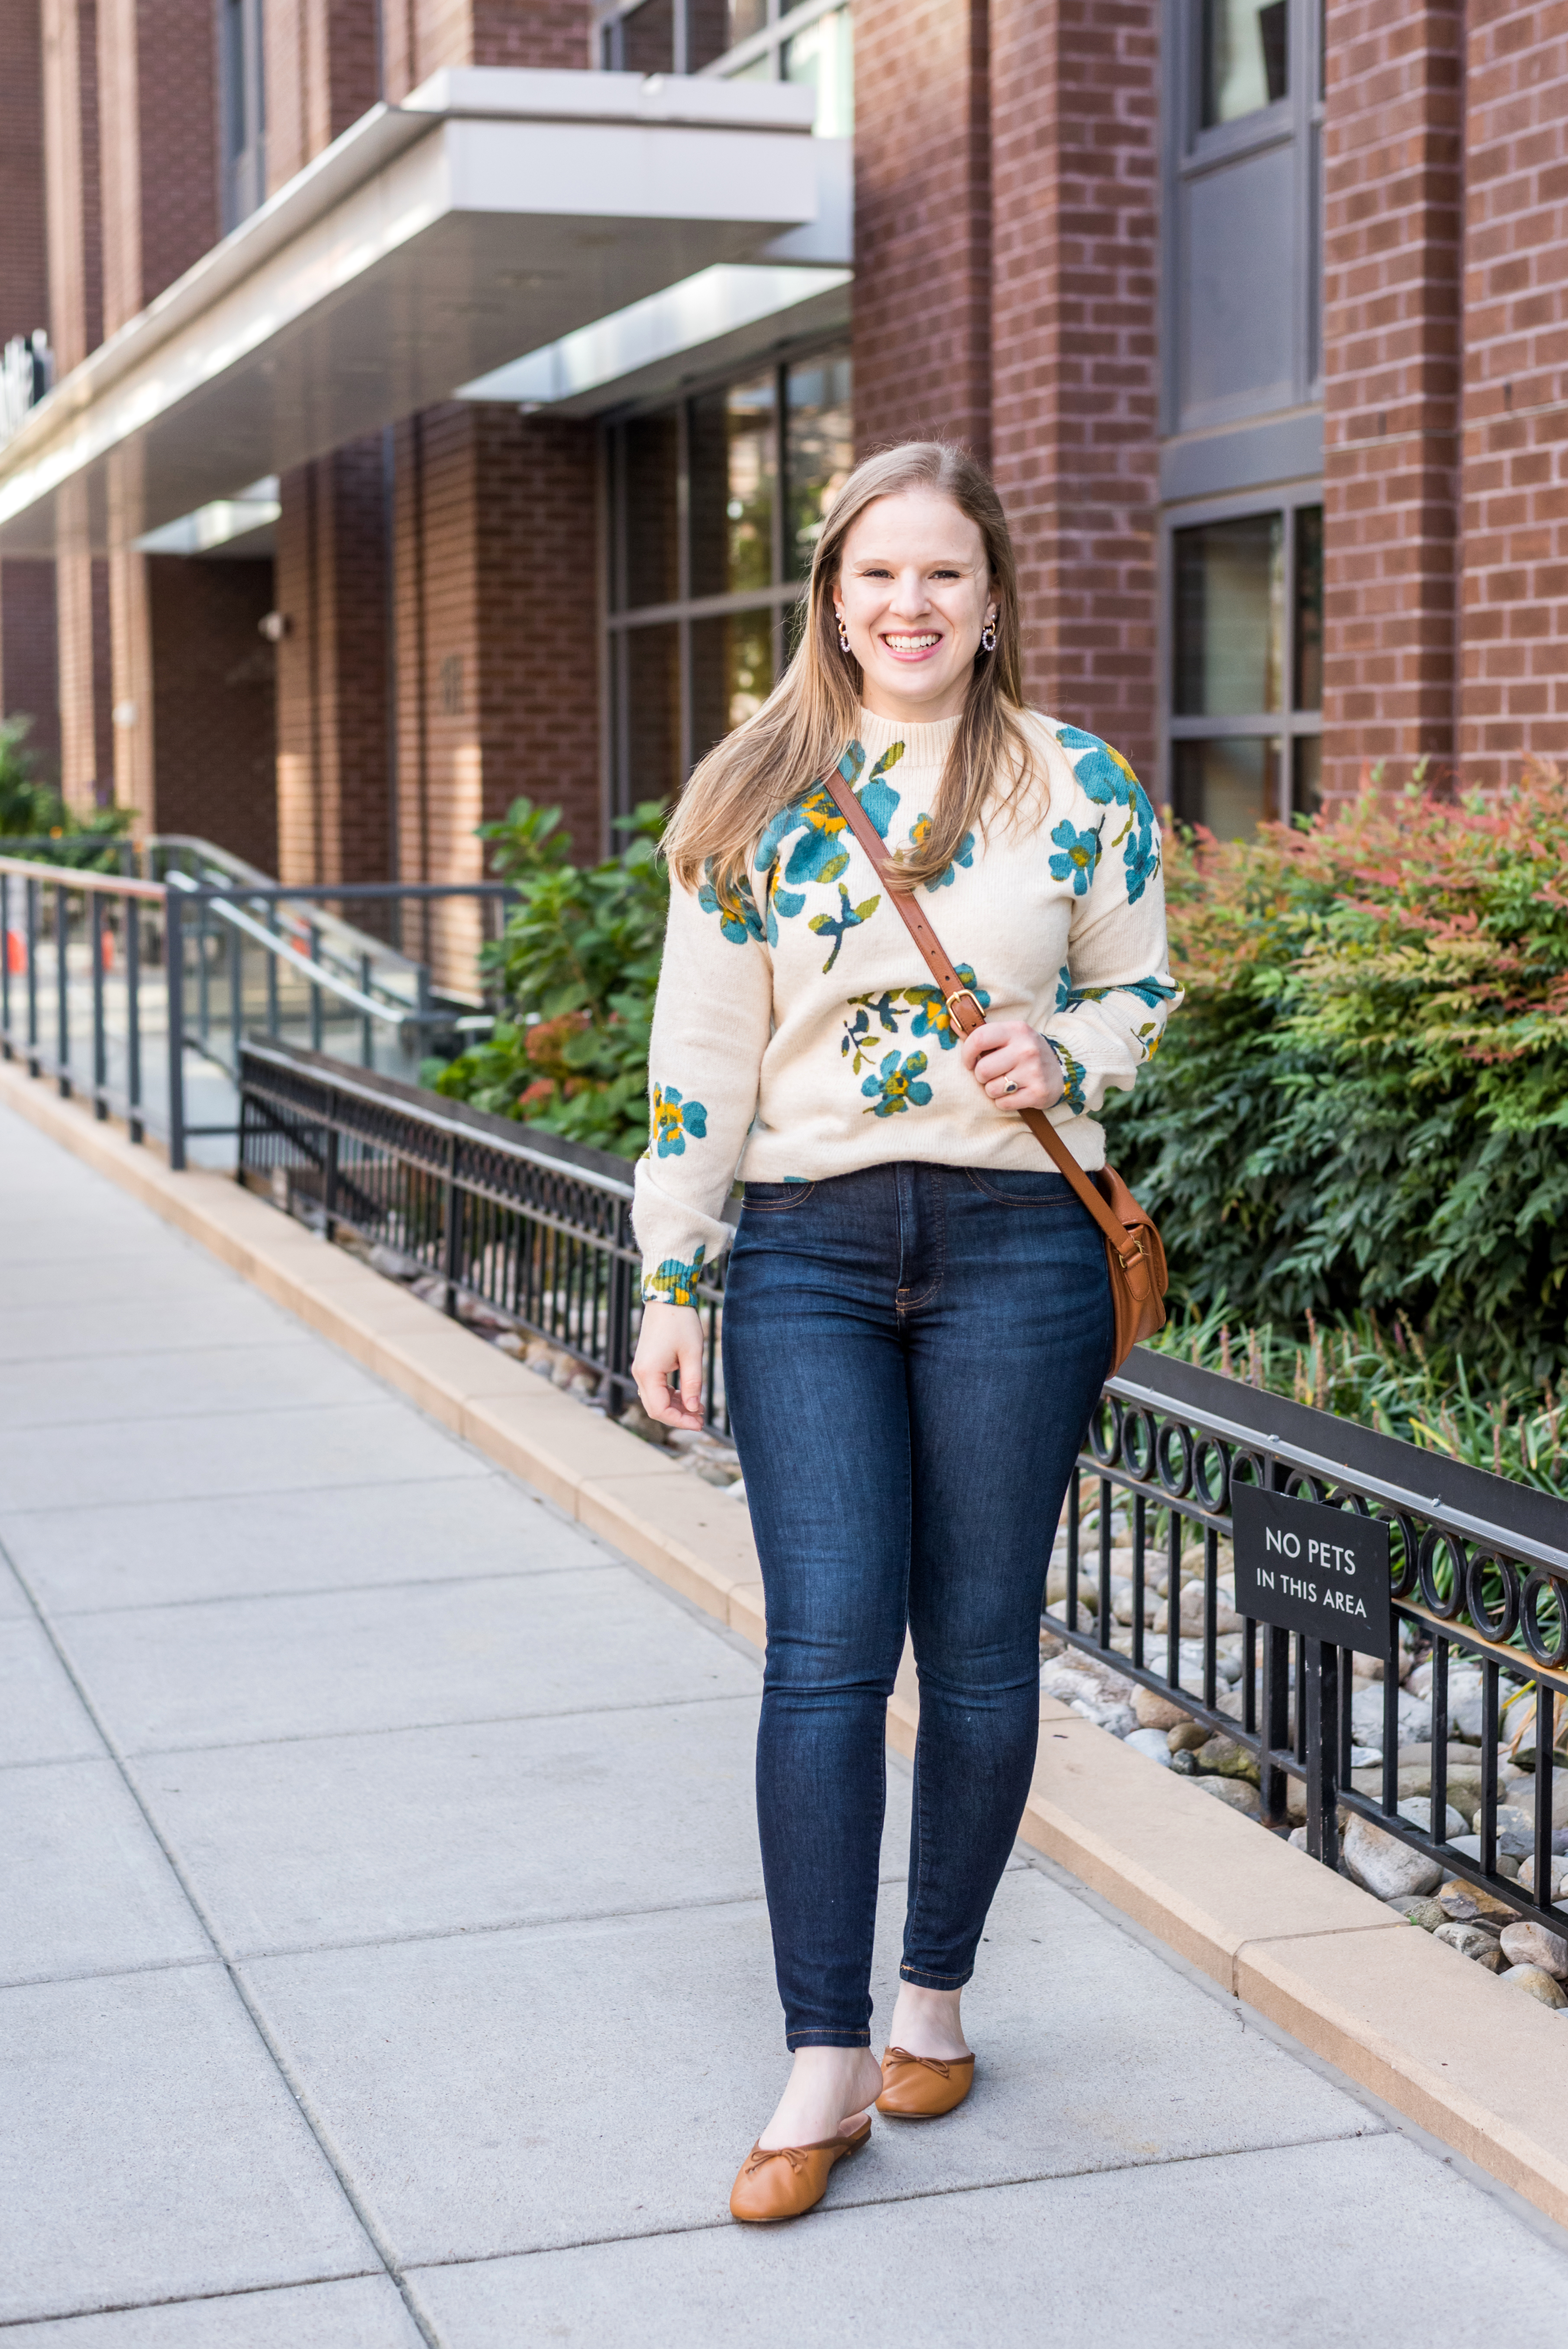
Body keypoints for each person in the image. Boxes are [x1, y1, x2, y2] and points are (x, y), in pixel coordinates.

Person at [630, 440, 1178, 2223]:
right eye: (878, 575)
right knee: (826, 1654)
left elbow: (1140, 992)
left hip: (1020, 1249)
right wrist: (671, 1274)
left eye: (942, 573)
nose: (909, 604)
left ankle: (935, 1991)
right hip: (807, 1254)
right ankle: (826, 2054)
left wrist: (1072, 1059)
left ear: (994, 596)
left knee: (984, 1646)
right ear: (831, 595)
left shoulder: (1080, 787)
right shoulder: (749, 799)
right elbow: (701, 1061)